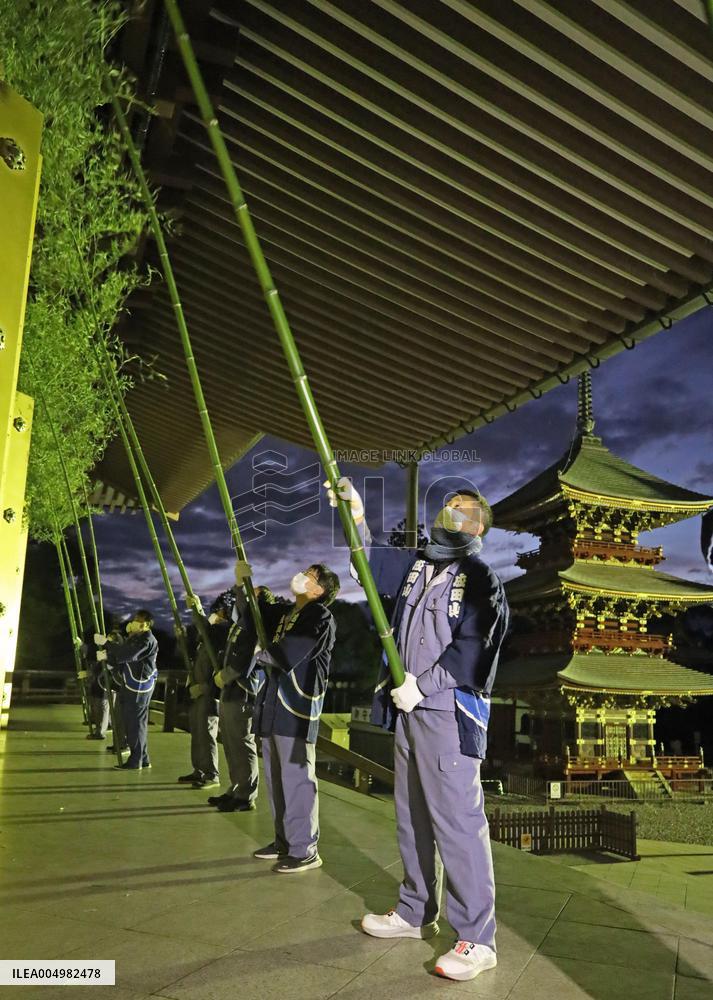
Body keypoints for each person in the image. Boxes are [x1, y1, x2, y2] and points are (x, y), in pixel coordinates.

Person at [326, 478, 509, 983]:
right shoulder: (418, 567)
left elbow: (472, 648)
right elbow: (369, 566)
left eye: (464, 511)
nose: (452, 514)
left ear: (478, 529)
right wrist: (356, 515)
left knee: (457, 824)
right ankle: (415, 910)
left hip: (449, 715)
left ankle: (478, 938)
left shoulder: (481, 580)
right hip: (408, 713)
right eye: (449, 506)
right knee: (410, 816)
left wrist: (422, 686)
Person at [233, 561, 340, 873]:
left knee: (297, 779)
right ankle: (284, 840)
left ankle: (304, 848)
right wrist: (243, 587)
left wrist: (262, 656)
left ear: (319, 590)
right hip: (273, 704)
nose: (302, 576)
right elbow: (253, 616)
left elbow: (293, 649)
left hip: (297, 707)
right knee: (276, 777)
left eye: (309, 575)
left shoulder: (320, 615)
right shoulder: (285, 613)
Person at [209, 585, 281, 813]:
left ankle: (246, 795)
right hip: (230, 690)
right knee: (230, 743)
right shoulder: (243, 623)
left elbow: (245, 659)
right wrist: (239, 585)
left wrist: (227, 675)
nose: (246, 599)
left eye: (253, 594)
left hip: (242, 690)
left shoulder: (255, 625)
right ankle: (236, 788)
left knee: (242, 743)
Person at [177, 592, 233, 789]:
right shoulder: (207, 635)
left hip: (208, 691)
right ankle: (199, 769)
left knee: (207, 732)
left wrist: (197, 610)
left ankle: (211, 774)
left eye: (219, 612)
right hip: (196, 689)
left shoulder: (223, 632)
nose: (215, 615)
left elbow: (208, 630)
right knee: (197, 731)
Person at [96, 609, 159, 771]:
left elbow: (128, 655)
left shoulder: (147, 640)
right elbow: (121, 655)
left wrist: (107, 644)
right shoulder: (136, 638)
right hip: (130, 683)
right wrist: (108, 657)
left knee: (135, 723)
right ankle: (143, 758)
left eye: (138, 620)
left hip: (139, 685)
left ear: (146, 624)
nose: (134, 622)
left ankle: (135, 760)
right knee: (135, 722)